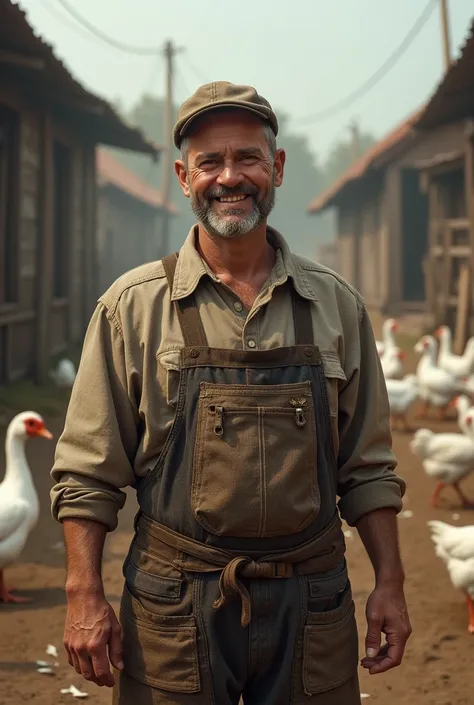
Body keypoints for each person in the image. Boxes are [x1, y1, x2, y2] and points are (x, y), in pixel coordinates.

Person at [51, 81, 411, 705]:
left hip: (313, 602)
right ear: (183, 178)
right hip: (173, 605)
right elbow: (87, 471)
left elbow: (369, 466)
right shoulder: (132, 308)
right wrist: (83, 593)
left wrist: (391, 581)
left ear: (275, 168)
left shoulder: (336, 305)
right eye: (209, 162)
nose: (229, 177)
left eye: (246, 158)